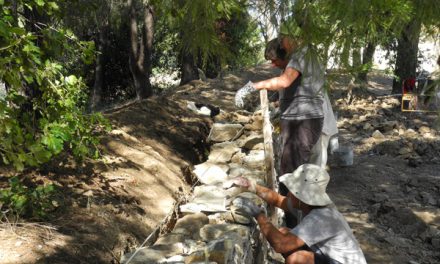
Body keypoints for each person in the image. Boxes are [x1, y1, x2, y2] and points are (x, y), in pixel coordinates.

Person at [235, 36, 324, 192]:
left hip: (302, 121)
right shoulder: (302, 56)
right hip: (302, 119)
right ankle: (295, 209)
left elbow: (284, 82)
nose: (273, 64)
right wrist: (277, 103)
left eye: (274, 59)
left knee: (291, 174)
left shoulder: (300, 55)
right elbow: (291, 87)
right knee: (295, 170)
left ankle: (291, 211)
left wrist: (251, 87)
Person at [230, 164, 367, 264]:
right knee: (284, 231)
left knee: (295, 259)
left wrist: (258, 214)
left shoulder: (320, 219)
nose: (289, 194)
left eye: (294, 191)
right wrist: (251, 186)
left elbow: (280, 245)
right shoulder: (308, 206)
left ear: (303, 197)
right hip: (331, 257)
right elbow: (278, 200)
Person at [263, 39, 338, 169]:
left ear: (285, 55)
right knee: (301, 167)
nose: (273, 65)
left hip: (315, 123)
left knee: (315, 168)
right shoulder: (288, 71)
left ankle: (312, 189)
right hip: (305, 123)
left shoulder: (302, 63)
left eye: (274, 60)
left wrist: (254, 86)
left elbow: (286, 84)